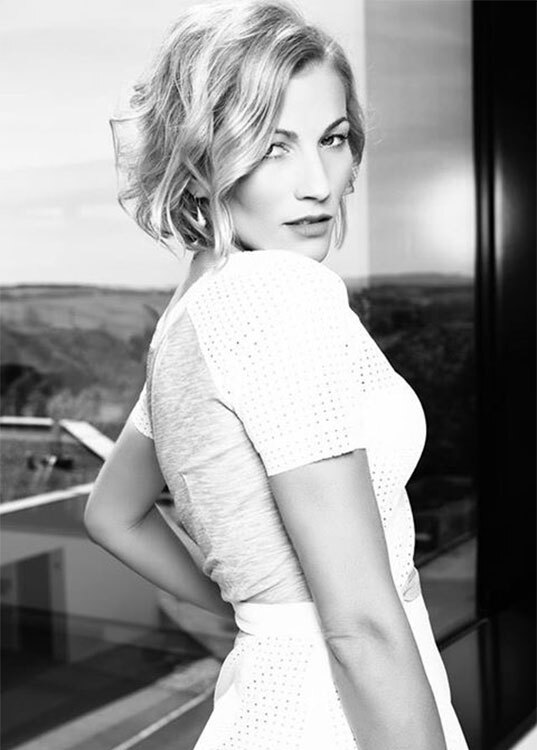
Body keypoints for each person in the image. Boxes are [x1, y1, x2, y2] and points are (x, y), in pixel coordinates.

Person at [84, 2, 470, 748]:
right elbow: (360, 628)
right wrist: (299, 625)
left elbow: (112, 512)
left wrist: (265, 621)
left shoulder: (190, 315)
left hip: (272, 698)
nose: (318, 183)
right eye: (271, 147)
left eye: (333, 139)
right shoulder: (277, 297)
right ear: (201, 163)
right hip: (343, 713)